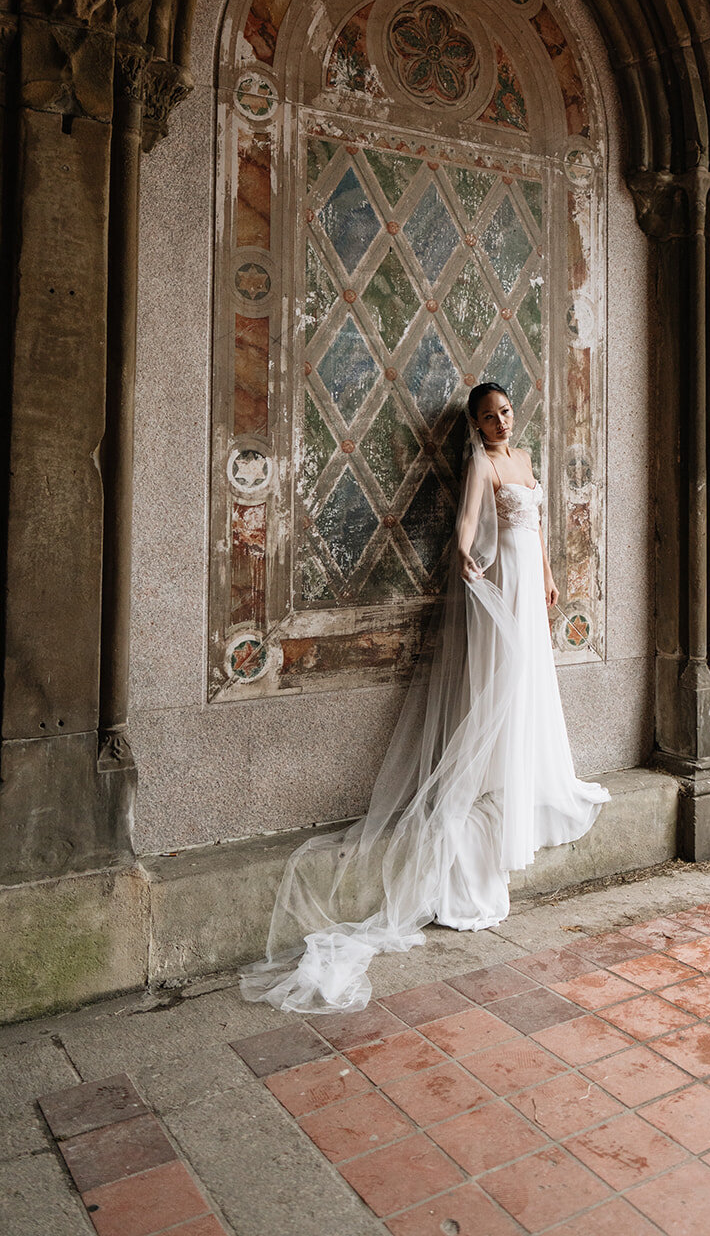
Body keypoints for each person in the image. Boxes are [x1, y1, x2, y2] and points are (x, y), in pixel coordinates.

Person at [240, 382, 608, 1012]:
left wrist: (548, 577)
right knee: (502, 680)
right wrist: (464, 552)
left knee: (532, 679)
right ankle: (493, 772)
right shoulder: (484, 464)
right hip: (497, 584)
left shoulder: (523, 461)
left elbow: (538, 528)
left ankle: (532, 771)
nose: (499, 421)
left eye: (505, 411)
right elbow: (467, 520)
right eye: (488, 416)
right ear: (474, 423)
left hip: (529, 581)